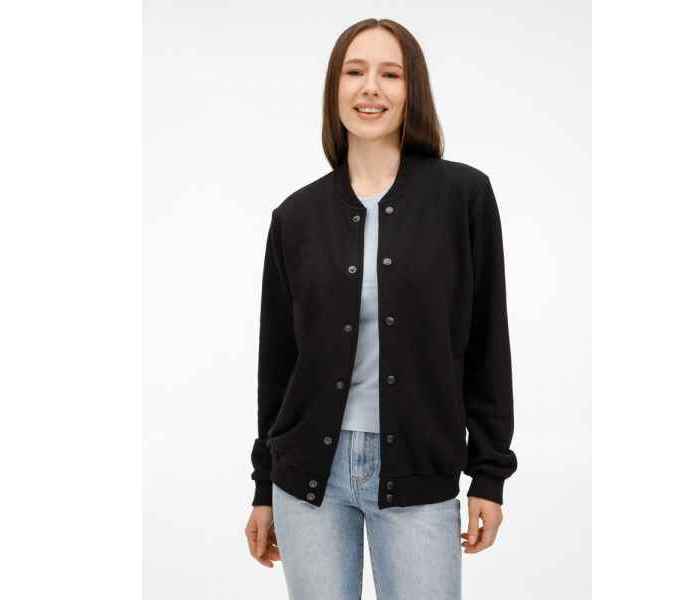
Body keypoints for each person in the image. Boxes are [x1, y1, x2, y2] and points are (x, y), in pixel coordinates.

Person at [244, 17, 517, 599]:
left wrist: (489, 474)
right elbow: (278, 366)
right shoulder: (295, 218)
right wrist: (264, 487)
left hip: (419, 470)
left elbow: (487, 342)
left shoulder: (462, 197)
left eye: (390, 74)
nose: (371, 88)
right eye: (355, 72)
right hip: (308, 481)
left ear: (412, 90)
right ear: (334, 88)